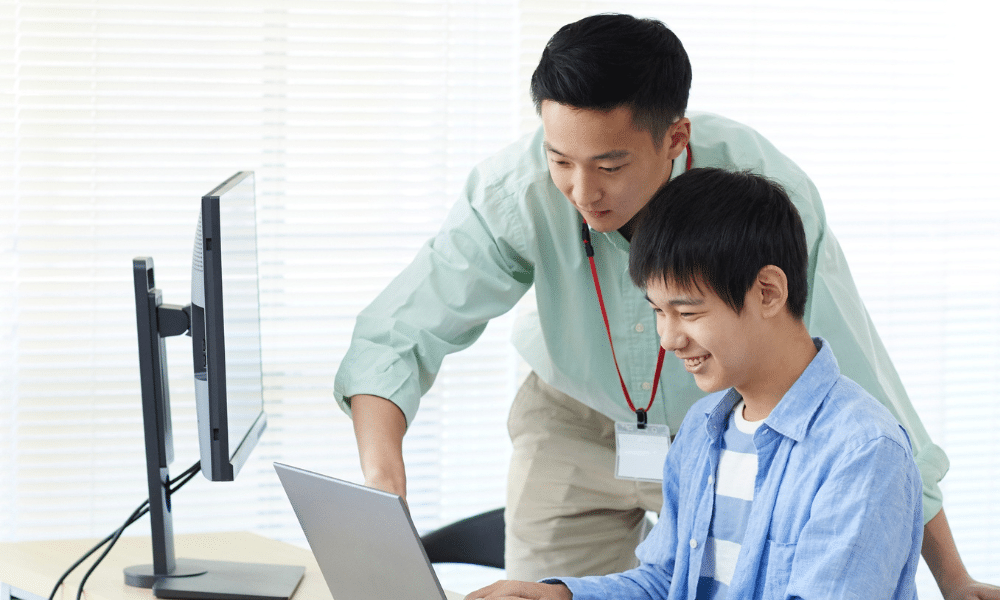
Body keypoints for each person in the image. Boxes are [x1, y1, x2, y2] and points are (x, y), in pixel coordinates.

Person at [334, 13, 998, 599]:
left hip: (736, 420)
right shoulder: (517, 190)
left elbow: (856, 373)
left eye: (610, 166)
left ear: (675, 137)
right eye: (560, 159)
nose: (582, 192)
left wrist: (953, 578)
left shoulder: (758, 191)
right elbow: (398, 334)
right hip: (579, 418)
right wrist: (383, 484)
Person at [466, 167, 924, 600]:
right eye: (658, 311)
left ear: (768, 292)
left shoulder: (862, 450)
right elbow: (668, 582)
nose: (669, 339)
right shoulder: (705, 426)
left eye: (687, 312)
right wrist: (563, 595)